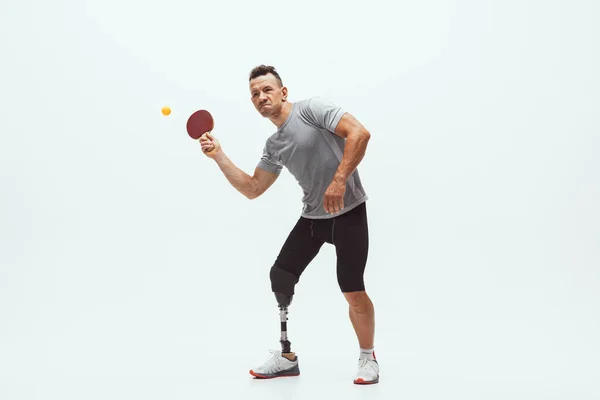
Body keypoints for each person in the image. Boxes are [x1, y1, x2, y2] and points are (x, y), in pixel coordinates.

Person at [198, 65, 379, 385]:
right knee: (280, 274)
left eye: (267, 89)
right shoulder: (274, 145)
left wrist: (339, 181)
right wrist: (219, 156)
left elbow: (360, 133)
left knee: (352, 289)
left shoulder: (313, 109)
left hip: (348, 212)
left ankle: (368, 357)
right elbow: (253, 188)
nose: (261, 97)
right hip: (313, 218)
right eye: (254, 93)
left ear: (283, 92)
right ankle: (286, 356)